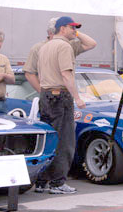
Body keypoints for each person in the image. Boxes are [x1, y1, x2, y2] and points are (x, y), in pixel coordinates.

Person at [35, 16, 91, 194]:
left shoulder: (45, 46)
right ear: (62, 28)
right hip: (60, 97)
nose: (75, 31)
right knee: (64, 141)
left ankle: (42, 181)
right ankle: (58, 183)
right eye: (72, 27)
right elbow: (67, 75)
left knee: (49, 139)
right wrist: (77, 97)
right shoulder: (65, 46)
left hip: (46, 95)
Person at [24, 17, 97, 93]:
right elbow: (29, 74)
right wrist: (42, 92)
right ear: (51, 33)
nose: (74, 30)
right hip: (52, 94)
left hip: (65, 93)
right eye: (71, 28)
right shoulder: (38, 48)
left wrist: (75, 32)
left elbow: (91, 44)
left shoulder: (69, 45)